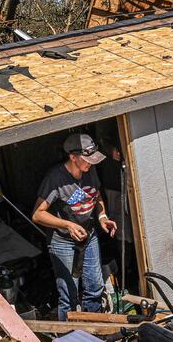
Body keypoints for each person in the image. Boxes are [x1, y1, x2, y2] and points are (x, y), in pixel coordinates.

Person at [32, 133, 117, 321]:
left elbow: (97, 195)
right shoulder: (55, 179)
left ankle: (95, 330)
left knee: (95, 287)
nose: (91, 164)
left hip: (89, 235)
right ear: (73, 157)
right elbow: (37, 214)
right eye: (87, 160)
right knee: (69, 295)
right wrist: (67, 224)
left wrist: (102, 216)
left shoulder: (90, 171)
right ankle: (69, 334)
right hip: (63, 241)